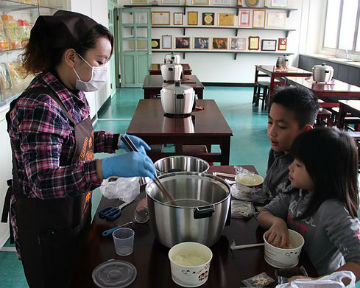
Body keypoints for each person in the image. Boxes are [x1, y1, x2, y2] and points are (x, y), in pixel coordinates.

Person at [3, 10, 155, 288]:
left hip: (72, 212)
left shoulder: (72, 90)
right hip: (45, 228)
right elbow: (43, 181)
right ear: (71, 57)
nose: (103, 70)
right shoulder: (39, 105)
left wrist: (117, 141)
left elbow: (77, 139)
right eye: (100, 61)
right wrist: (105, 167)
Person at [257, 127, 360, 280]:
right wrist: (277, 222)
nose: (290, 167)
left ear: (322, 173)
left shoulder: (332, 211)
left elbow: (357, 262)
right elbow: (263, 214)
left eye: (298, 165)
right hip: (293, 267)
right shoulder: (296, 191)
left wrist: (317, 283)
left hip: (318, 277)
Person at [261, 86, 319, 200]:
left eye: (282, 126)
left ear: (306, 131)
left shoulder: (305, 171)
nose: (272, 132)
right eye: (270, 122)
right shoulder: (277, 150)